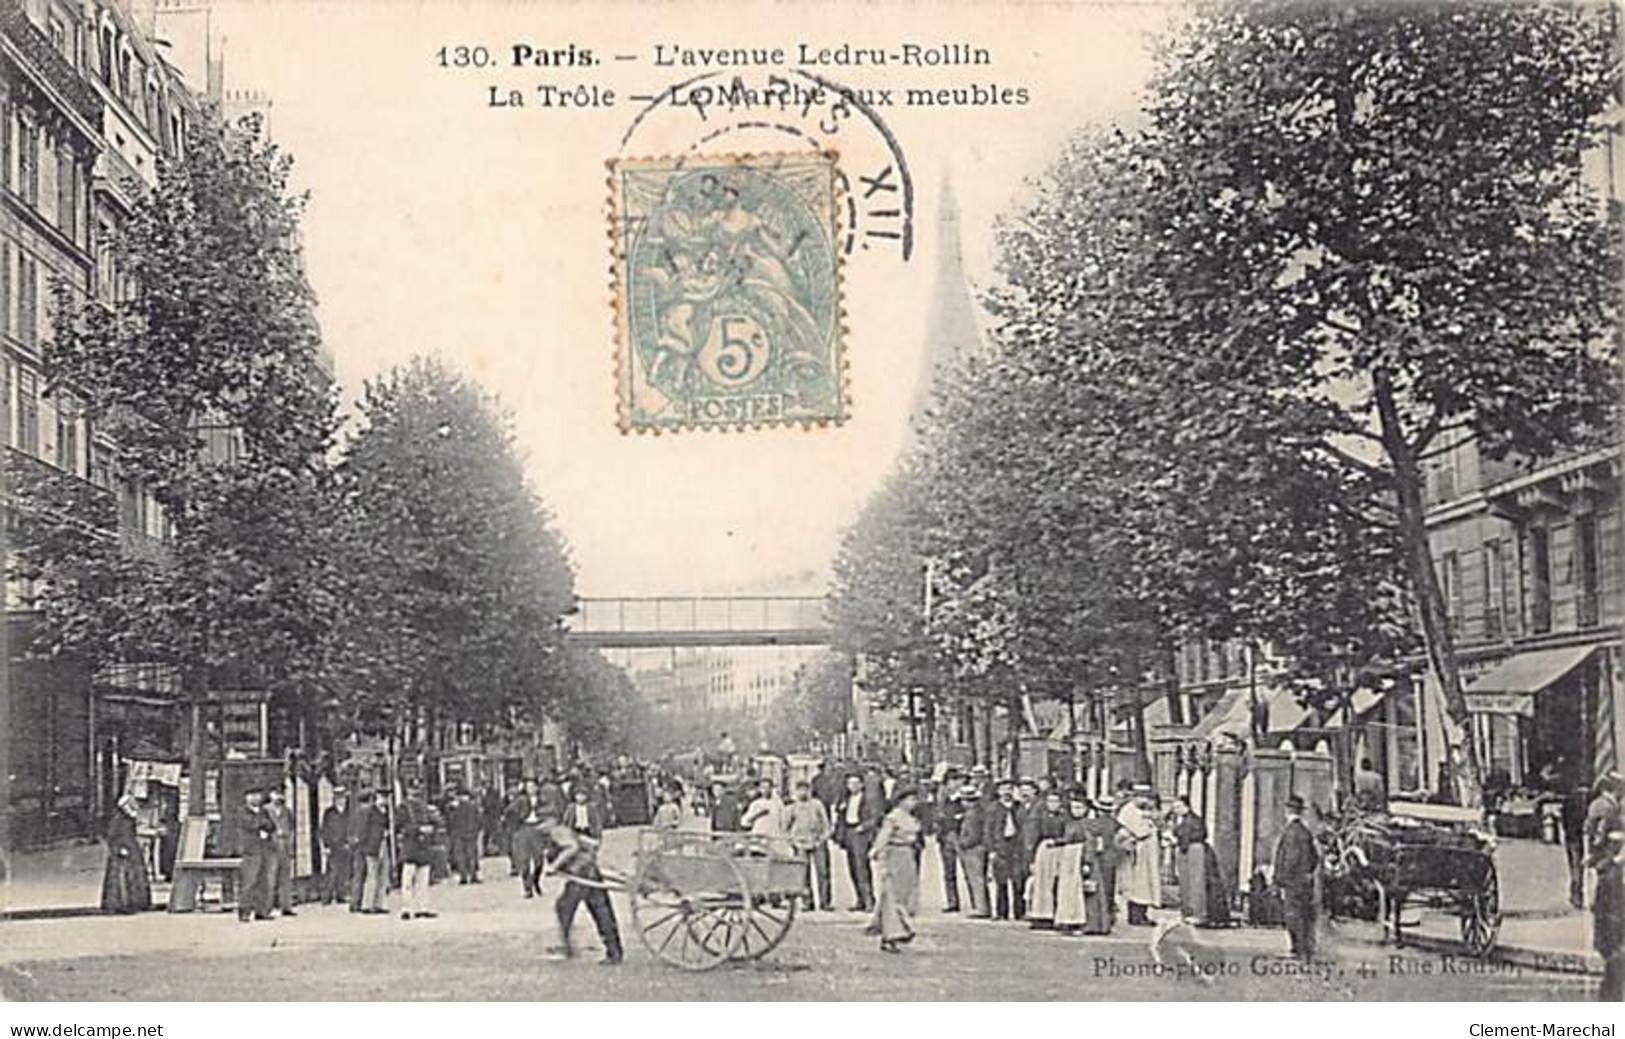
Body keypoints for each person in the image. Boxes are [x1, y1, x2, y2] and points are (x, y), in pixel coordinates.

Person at [544, 820, 624, 964]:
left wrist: (554, 866)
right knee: (601, 911)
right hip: (589, 871)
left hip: (580, 874)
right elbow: (593, 844)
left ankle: (568, 948)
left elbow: (571, 847)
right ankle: (614, 951)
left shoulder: (557, 832)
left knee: (564, 907)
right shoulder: (564, 830)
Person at [1585, 771, 1624, 1001]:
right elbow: (1604, 838)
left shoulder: (1598, 806)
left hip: (1603, 866)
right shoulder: (1610, 810)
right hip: (1609, 866)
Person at [870, 786, 923, 953]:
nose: (913, 803)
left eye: (915, 799)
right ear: (901, 801)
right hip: (895, 855)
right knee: (893, 896)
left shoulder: (910, 817)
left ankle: (895, 931)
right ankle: (894, 933)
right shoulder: (892, 818)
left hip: (907, 855)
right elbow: (883, 839)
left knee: (906, 894)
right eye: (910, 799)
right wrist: (879, 856)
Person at [1272, 794, 1319, 960]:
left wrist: (1280, 879)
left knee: (1292, 916)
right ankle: (1303, 948)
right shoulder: (1305, 832)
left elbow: (1289, 859)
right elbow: (1314, 858)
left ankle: (1297, 949)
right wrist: (1307, 873)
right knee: (1304, 915)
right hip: (1304, 881)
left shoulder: (1291, 832)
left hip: (1293, 882)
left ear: (1288, 811)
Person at [1172, 796, 1231, 927]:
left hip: (1194, 851)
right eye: (1175, 807)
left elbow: (1195, 835)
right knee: (1186, 883)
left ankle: (1198, 913)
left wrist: (1177, 838)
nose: (1176, 810)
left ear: (1187, 806)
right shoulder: (1184, 820)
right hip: (1186, 851)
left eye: (1179, 807)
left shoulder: (1194, 820)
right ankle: (1189, 911)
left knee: (1196, 883)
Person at [100, 792, 153, 914]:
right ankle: (123, 902)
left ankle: (134, 901)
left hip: (130, 847)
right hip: (124, 849)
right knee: (123, 877)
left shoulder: (127, 819)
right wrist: (120, 848)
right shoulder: (119, 819)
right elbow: (113, 835)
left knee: (132, 875)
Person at [396, 784, 444, 920]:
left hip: (423, 847)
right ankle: (406, 908)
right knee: (407, 880)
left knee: (423, 879)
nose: (416, 796)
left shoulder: (425, 808)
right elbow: (400, 827)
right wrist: (418, 830)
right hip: (410, 846)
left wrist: (432, 827)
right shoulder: (403, 809)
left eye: (418, 793)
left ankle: (422, 907)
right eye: (413, 793)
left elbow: (437, 821)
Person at [1116, 785, 1162, 926]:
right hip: (1139, 851)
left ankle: (1142, 913)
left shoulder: (1139, 809)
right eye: (1142, 797)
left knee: (1145, 884)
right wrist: (1151, 825)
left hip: (1146, 851)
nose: (1145, 800)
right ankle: (1136, 915)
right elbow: (1140, 831)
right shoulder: (1130, 810)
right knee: (1139, 885)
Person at [835, 772, 880, 912]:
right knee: (852, 868)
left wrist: (863, 827)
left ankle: (869, 901)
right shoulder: (846, 799)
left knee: (862, 868)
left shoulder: (868, 799)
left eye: (855, 783)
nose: (852, 786)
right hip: (849, 832)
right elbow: (840, 816)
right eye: (850, 784)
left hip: (860, 834)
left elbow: (875, 817)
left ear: (861, 785)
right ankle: (859, 899)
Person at [786, 779, 833, 911]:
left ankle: (825, 902)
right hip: (800, 843)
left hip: (817, 842)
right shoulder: (792, 807)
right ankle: (808, 902)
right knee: (803, 874)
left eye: (805, 790)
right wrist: (793, 842)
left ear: (810, 791)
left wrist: (822, 839)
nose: (803, 793)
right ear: (796, 792)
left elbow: (826, 825)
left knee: (823, 872)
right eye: (800, 790)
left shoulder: (817, 805)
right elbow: (785, 828)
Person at [1026, 789, 1069, 929]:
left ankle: (1058, 915)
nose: (1053, 804)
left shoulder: (1065, 817)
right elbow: (1033, 837)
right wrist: (1031, 858)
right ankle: (1041, 915)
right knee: (1042, 882)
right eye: (1050, 801)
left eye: (1056, 801)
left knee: (1058, 882)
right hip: (1044, 850)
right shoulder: (1040, 817)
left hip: (1060, 849)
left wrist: (1060, 841)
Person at [1053, 789, 1091, 933]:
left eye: (1080, 807)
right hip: (1068, 856)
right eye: (1074, 807)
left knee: (1076, 889)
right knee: (1065, 888)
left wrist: (1086, 861)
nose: (1077, 811)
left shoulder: (1087, 824)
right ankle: (1064, 918)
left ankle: (1076, 919)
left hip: (1078, 854)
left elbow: (1089, 842)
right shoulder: (1068, 823)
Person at [988, 780, 1028, 921]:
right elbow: (988, 830)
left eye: (1009, 789)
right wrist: (992, 849)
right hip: (1001, 846)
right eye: (1003, 789)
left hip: (1016, 847)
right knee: (1001, 881)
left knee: (1018, 880)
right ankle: (1001, 912)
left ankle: (1019, 912)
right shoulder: (993, 809)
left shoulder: (1019, 808)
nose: (1006, 792)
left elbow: (1025, 827)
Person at [236, 788, 276, 922]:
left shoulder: (263, 811)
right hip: (250, 850)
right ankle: (244, 911)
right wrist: (262, 824)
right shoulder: (242, 811)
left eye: (257, 795)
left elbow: (271, 825)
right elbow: (251, 824)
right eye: (252, 795)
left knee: (264, 881)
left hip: (265, 849)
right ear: (246, 798)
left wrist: (263, 825)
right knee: (249, 881)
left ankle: (262, 911)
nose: (255, 798)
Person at [1083, 794, 1121, 934]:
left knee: (1095, 891)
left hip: (1097, 859)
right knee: (1109, 889)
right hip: (1111, 858)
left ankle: (1096, 920)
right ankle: (1108, 919)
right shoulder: (1115, 824)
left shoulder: (1092, 824)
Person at [505, 779, 549, 898]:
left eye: (533, 786)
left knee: (539, 859)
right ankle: (527, 887)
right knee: (524, 860)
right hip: (524, 828)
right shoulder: (520, 800)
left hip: (538, 829)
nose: (531, 789)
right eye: (528, 787)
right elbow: (508, 811)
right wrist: (516, 823)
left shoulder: (543, 800)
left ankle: (536, 881)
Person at [349, 788, 389, 914]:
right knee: (372, 875)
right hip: (372, 846)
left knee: (382, 875)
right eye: (382, 797)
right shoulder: (369, 811)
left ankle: (378, 903)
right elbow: (363, 829)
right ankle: (368, 904)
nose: (385, 800)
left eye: (386, 798)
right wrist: (363, 844)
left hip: (381, 843)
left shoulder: (383, 811)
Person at [957, 780, 992, 918]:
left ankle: (981, 908)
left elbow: (973, 835)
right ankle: (982, 906)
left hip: (974, 850)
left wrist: (962, 843)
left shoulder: (972, 814)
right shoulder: (979, 811)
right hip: (978, 848)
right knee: (979, 878)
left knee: (976, 879)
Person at [936, 770, 967, 913]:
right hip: (945, 835)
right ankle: (952, 901)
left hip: (959, 835)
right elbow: (938, 816)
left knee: (968, 869)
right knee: (949, 872)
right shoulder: (942, 799)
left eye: (956, 781)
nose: (953, 785)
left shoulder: (965, 798)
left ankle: (977, 903)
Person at [264, 786, 297, 917]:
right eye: (276, 793)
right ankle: (267, 907)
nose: (278, 796)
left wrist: (291, 844)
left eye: (281, 794)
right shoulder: (266, 810)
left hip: (285, 845)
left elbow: (292, 828)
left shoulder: (287, 811)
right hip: (271, 846)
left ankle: (286, 906)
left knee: (286, 878)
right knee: (270, 878)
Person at [319, 786, 352, 905]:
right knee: (332, 871)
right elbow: (324, 830)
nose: (341, 800)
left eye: (342, 798)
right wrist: (326, 845)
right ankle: (326, 896)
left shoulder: (349, 812)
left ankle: (341, 894)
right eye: (338, 798)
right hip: (333, 845)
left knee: (344, 870)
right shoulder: (329, 813)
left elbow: (351, 828)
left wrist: (349, 842)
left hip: (345, 844)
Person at [448, 787, 482, 884]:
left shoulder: (454, 808)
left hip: (458, 835)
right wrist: (476, 831)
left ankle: (463, 877)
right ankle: (473, 876)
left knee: (461, 856)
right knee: (471, 855)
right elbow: (479, 820)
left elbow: (450, 822)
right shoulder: (473, 807)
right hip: (471, 834)